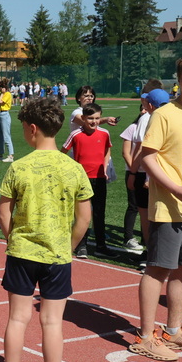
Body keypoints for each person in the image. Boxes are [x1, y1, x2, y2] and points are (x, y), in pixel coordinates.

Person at [0, 97, 91, 362]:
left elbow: (4, 212)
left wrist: (14, 240)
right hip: (57, 256)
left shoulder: (19, 167)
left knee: (17, 318)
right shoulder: (74, 168)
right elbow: (84, 218)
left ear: (32, 129)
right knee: (52, 323)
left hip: (22, 254)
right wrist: (70, 247)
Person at [130, 56, 182, 362]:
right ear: (178, 79)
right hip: (169, 206)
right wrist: (175, 188)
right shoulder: (164, 114)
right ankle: (145, 336)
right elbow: (148, 158)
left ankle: (173, 331)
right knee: (158, 270)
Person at [62, 103, 113, 256]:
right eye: (90, 118)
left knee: (99, 213)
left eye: (97, 118)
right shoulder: (76, 134)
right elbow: (62, 153)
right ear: (83, 118)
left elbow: (107, 151)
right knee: (82, 214)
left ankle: (100, 246)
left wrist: (104, 169)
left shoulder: (104, 133)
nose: (94, 122)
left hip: (99, 179)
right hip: (81, 180)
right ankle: (81, 245)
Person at [0, 79, 15, 162]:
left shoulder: (7, 94)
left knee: (6, 136)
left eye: (0, 87)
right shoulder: (0, 94)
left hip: (4, 115)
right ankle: (0, 154)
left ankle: (11, 156)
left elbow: (0, 102)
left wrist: (2, 94)